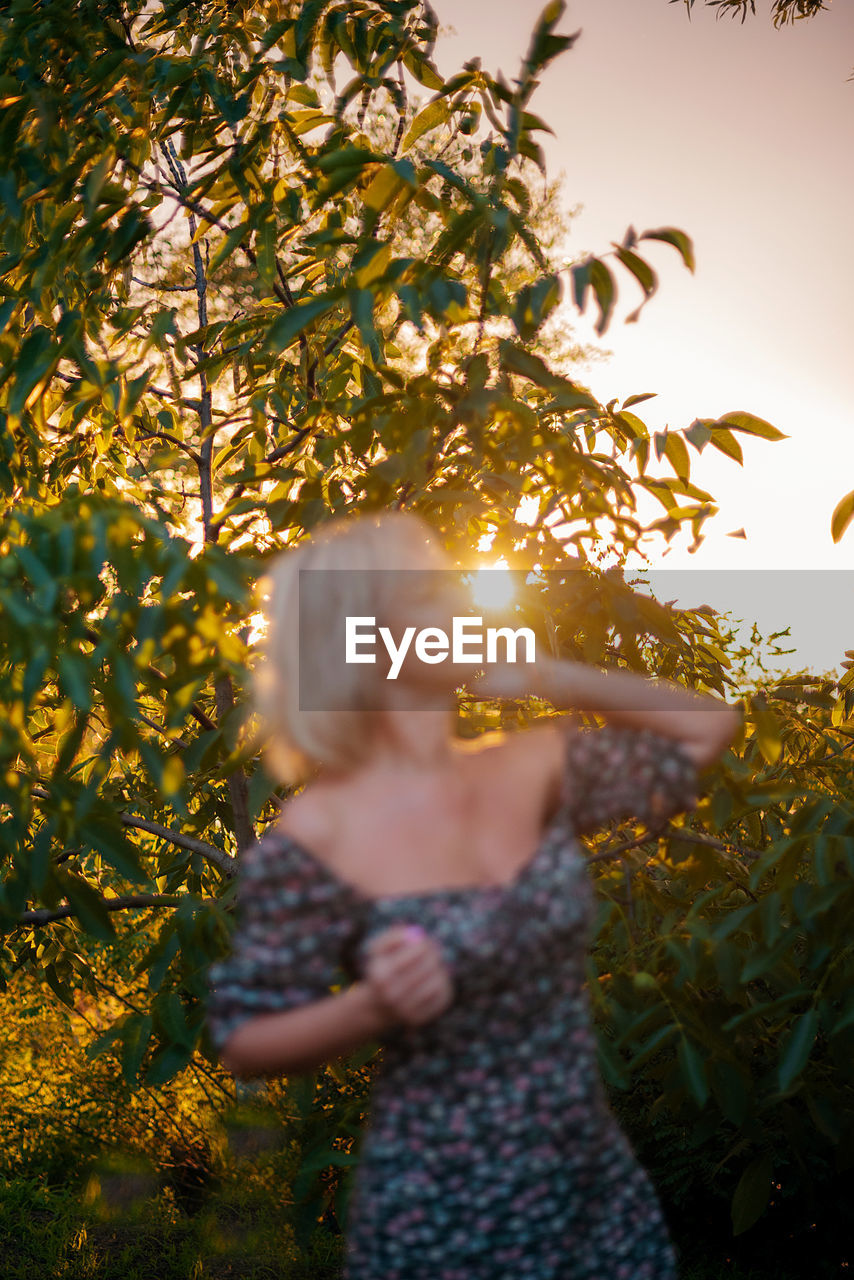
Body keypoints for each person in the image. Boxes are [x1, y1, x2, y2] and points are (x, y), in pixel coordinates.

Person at [205, 510, 740, 1280]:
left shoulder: (531, 763)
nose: (458, 602)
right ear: (366, 634)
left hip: (595, 1196)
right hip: (443, 1218)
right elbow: (244, 1036)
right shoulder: (321, 828)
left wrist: (546, 673)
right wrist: (370, 1008)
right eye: (427, 590)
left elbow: (709, 726)